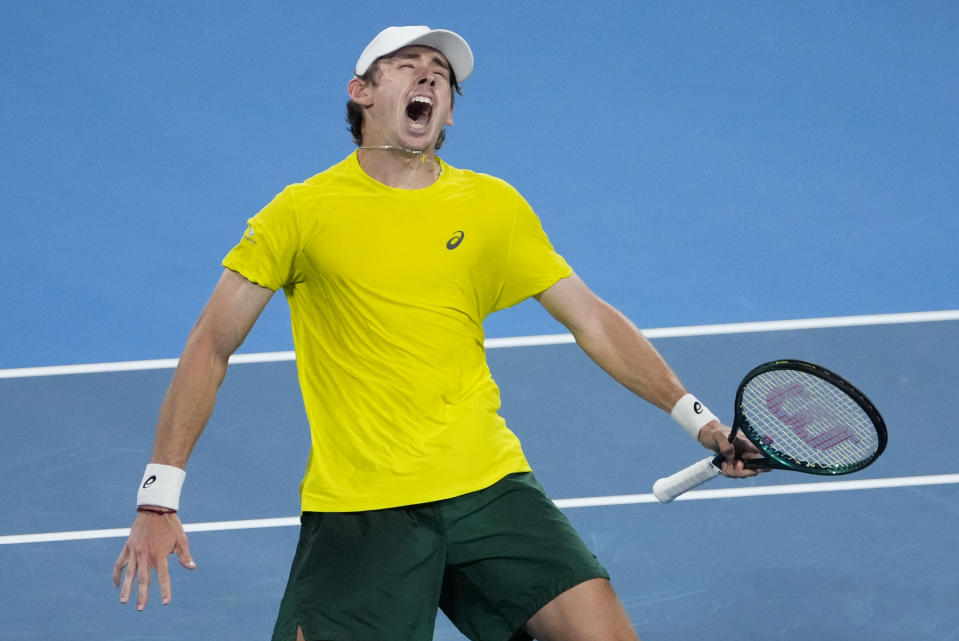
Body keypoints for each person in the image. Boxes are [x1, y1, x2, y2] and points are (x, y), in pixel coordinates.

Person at [112, 25, 761, 641]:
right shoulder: (300, 213)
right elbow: (211, 345)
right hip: (364, 505)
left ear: (446, 112)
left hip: (488, 484)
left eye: (441, 75)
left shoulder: (491, 206)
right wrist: (158, 498)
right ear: (361, 91)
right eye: (406, 66)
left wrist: (699, 421)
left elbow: (590, 318)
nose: (428, 76)